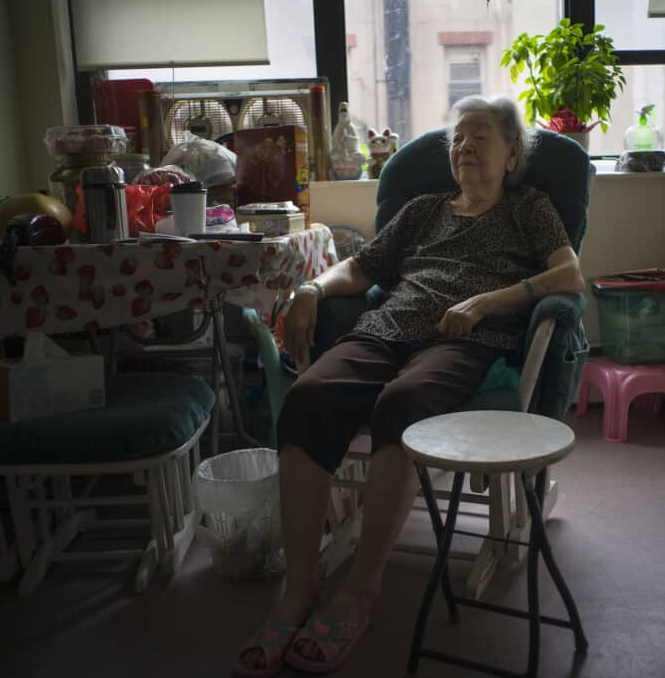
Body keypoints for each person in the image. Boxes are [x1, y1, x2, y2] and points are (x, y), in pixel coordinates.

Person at [233, 95, 585, 677]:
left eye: (480, 137)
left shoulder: (530, 208)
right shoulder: (423, 209)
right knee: (307, 399)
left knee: (404, 404)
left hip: (466, 340)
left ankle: (360, 589)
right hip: (386, 328)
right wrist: (312, 290)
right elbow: (362, 268)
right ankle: (298, 592)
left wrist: (489, 300)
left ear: (512, 151)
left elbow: (570, 274)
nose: (465, 147)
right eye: (457, 139)